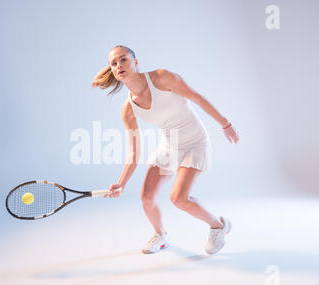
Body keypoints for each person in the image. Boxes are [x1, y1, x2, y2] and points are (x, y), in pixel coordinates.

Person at [91, 45, 240, 255]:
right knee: (147, 198)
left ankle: (218, 226)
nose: (119, 65)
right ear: (113, 71)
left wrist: (225, 124)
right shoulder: (128, 109)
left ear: (135, 61)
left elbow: (197, 98)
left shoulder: (162, 78)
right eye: (114, 63)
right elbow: (134, 153)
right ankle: (161, 236)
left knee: (179, 198)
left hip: (195, 142)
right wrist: (121, 184)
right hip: (170, 146)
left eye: (123, 59)